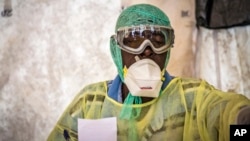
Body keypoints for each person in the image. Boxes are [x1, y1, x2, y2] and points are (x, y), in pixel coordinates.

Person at [47, 4, 250, 141]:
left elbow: (223, 112)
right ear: (116, 49)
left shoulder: (192, 98)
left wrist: (243, 123)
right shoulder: (90, 104)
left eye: (158, 41)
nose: (146, 49)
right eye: (133, 40)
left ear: (168, 49)